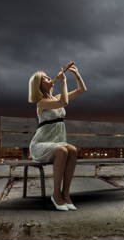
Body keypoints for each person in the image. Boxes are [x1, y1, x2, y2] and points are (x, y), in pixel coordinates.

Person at [28, 62, 87, 211]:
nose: (49, 79)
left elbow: (82, 90)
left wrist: (76, 74)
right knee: (62, 150)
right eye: (45, 79)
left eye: (49, 77)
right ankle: (56, 195)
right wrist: (64, 81)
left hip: (57, 143)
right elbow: (64, 102)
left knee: (72, 150)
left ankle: (66, 195)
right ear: (39, 86)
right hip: (40, 145)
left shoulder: (57, 97)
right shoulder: (42, 103)